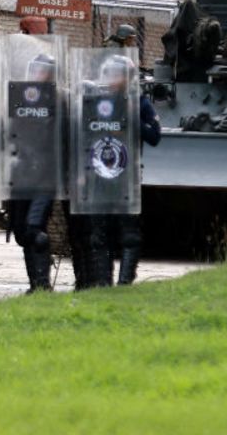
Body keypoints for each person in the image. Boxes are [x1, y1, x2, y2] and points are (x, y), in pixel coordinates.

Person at [86, 55, 161, 287]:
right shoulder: (97, 101)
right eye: (108, 74)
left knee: (128, 232)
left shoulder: (139, 102)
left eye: (116, 75)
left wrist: (132, 119)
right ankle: (102, 281)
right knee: (99, 232)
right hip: (100, 174)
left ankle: (125, 280)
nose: (111, 80)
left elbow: (154, 136)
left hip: (127, 174)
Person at [5, 53, 63, 293]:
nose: (38, 74)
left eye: (43, 70)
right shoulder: (21, 98)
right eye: (35, 69)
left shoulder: (57, 100)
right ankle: (34, 284)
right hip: (20, 173)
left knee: (34, 229)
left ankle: (42, 284)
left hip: (45, 176)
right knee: (21, 232)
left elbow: (62, 138)